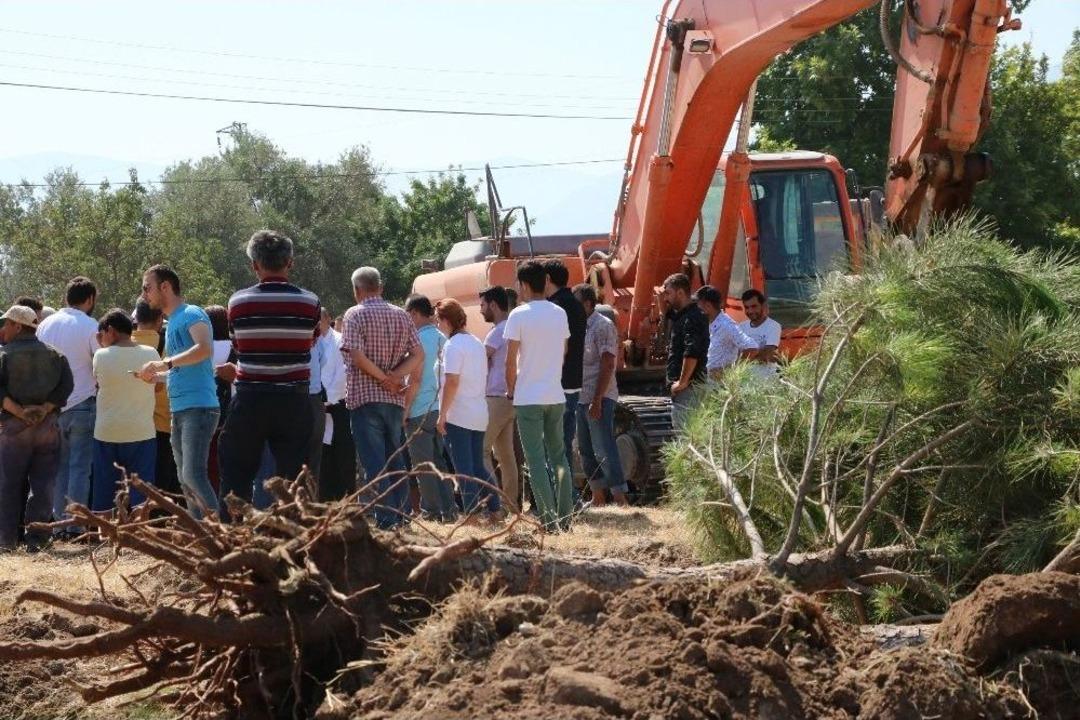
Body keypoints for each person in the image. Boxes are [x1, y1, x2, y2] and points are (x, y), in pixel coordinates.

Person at [216, 231, 320, 513]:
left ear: (255, 265)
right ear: (290, 263)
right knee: (294, 481)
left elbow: (238, 345)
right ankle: (293, 532)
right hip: (294, 400)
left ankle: (232, 533)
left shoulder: (237, 302)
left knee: (235, 476)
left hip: (250, 398)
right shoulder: (310, 302)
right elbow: (310, 341)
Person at [341, 266, 423, 530]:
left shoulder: (354, 314)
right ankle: (402, 516)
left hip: (365, 398)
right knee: (395, 459)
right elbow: (418, 355)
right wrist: (394, 377)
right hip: (394, 398)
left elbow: (357, 356)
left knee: (374, 462)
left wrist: (382, 378)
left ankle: (386, 520)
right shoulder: (402, 315)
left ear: (357, 290)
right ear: (381, 287)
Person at [137, 264, 220, 519]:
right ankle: (200, 533)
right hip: (181, 409)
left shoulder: (191, 313)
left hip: (199, 408)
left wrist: (165, 364)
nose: (144, 295)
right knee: (185, 478)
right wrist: (158, 377)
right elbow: (183, 369)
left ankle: (218, 533)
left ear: (165, 287)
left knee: (193, 475)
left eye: (147, 288)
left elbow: (204, 349)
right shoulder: (173, 321)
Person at [504, 260, 573, 532]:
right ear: (545, 281)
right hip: (555, 394)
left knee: (535, 460)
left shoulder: (518, 315)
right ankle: (565, 518)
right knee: (559, 457)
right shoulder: (559, 313)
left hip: (528, 396)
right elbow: (563, 352)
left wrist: (511, 389)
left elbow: (510, 361)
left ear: (523, 285)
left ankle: (548, 519)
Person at [0, 305, 73, 551]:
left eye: (7, 323)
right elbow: (66, 386)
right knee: (43, 485)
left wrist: (20, 413)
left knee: (8, 484)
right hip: (47, 427)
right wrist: (44, 408)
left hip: (14, 430)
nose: (4, 328)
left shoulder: (4, 355)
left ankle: (6, 540)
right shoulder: (56, 355)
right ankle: (37, 540)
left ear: (17, 326)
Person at [37, 277, 99, 533]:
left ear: (66, 297)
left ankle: (58, 525)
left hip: (51, 407)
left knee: (58, 467)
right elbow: (100, 362)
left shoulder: (45, 325)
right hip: (83, 402)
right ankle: (75, 526)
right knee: (80, 467)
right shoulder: (90, 325)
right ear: (90, 299)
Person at [434, 299, 499, 518]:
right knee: (477, 466)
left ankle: (471, 515)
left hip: (459, 414)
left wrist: (442, 414)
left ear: (446, 320)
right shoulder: (476, 342)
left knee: (463, 469)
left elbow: (452, 382)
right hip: (478, 412)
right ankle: (496, 508)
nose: (438, 325)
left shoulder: (453, 345)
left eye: (438, 320)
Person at [90, 309, 159, 511]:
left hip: (107, 432)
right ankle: (140, 529)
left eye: (102, 333)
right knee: (142, 494)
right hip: (142, 432)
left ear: (110, 330)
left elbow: (99, 382)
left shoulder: (101, 355)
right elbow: (158, 386)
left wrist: (102, 347)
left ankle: (103, 531)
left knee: (104, 493)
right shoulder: (151, 353)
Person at [572, 284, 630, 507]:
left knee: (603, 447)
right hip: (581, 396)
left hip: (599, 396)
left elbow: (608, 364)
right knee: (585, 449)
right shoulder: (579, 327)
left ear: (587, 303)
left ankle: (620, 497)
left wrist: (597, 400)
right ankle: (598, 496)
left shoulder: (603, 326)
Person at [402, 294, 456, 521]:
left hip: (419, 408)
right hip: (439, 408)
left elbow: (414, 379)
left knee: (423, 465)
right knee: (439, 461)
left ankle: (431, 511)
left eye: (407, 314)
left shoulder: (416, 340)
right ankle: (449, 510)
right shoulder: (443, 337)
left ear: (414, 313)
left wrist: (405, 410)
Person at [543, 259, 587, 482]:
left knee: (552, 446)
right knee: (564, 444)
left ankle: (559, 493)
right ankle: (567, 493)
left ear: (547, 279)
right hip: (573, 382)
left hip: (556, 385)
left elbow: (557, 348)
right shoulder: (576, 304)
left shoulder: (554, 308)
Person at [132, 300, 179, 497]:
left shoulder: (121, 344)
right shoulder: (171, 345)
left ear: (136, 318)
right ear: (160, 319)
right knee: (160, 488)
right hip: (161, 425)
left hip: (128, 425)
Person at [479, 286, 520, 513]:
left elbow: (479, 362)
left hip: (496, 397)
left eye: (483, 305)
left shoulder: (496, 332)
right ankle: (509, 505)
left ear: (493, 305)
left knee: (481, 451)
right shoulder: (512, 327)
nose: (481, 310)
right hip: (511, 397)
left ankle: (493, 504)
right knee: (506, 455)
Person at [661, 273, 710, 431]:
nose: (665, 298)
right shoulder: (683, 315)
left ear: (680, 293)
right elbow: (667, 313)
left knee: (686, 435)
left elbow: (692, 352)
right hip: (687, 388)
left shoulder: (692, 317)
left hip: (688, 388)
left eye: (668, 293)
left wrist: (682, 382)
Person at [318, 307, 357, 502]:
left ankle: (346, 496)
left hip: (339, 402)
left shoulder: (340, 340)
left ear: (328, 319)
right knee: (323, 452)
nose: (317, 325)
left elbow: (343, 373)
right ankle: (325, 497)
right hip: (318, 404)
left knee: (343, 451)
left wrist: (328, 398)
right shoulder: (311, 343)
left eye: (319, 320)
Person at [695, 285, 758, 380]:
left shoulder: (726, 325)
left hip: (721, 386)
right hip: (707, 382)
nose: (697, 309)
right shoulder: (708, 323)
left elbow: (752, 348)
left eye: (698, 305)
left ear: (708, 305)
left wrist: (730, 371)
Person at [204, 305, 234, 494]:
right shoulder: (235, 348)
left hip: (203, 413)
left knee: (206, 467)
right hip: (232, 416)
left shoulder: (201, 350)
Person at [738, 289, 782, 381]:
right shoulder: (741, 327)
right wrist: (758, 352)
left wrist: (745, 355)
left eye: (754, 306)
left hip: (766, 382)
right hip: (744, 382)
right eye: (747, 307)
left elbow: (767, 356)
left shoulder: (774, 326)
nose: (750, 311)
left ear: (763, 305)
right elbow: (734, 355)